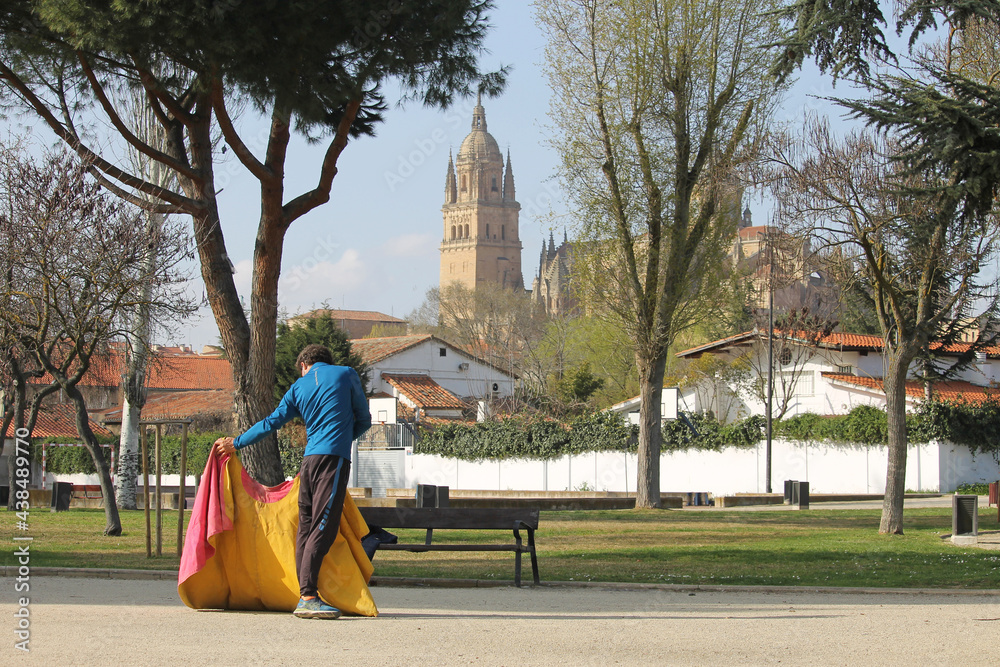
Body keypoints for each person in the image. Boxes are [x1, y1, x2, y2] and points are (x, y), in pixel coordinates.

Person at [213, 343, 371, 619]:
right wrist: (343, 438)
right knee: (323, 527)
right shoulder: (346, 373)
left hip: (308, 463)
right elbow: (365, 420)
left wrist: (236, 443)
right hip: (333, 461)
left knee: (306, 528)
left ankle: (304, 594)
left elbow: (270, 423)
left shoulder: (298, 387)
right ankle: (308, 597)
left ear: (303, 365)